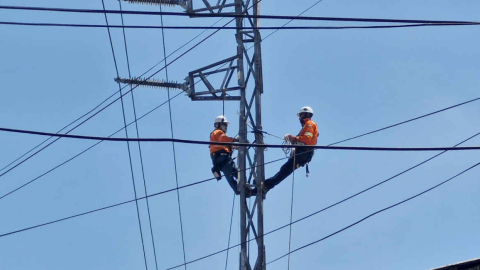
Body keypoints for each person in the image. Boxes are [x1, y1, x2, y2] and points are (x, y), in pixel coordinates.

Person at [252, 106, 318, 196]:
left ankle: (266, 186)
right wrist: (294, 145)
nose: (300, 118)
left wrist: (293, 138)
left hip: (304, 153)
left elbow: (306, 139)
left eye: (301, 115)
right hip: (303, 153)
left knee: (284, 171)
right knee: (284, 170)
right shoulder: (306, 126)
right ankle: (264, 187)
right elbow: (302, 140)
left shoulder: (309, 124)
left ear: (305, 115)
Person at [210, 115, 241, 194]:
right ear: (218, 125)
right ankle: (241, 189)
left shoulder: (217, 137)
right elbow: (224, 139)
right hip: (222, 159)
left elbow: (226, 144)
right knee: (236, 174)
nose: (226, 127)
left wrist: (235, 146)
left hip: (222, 161)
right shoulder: (217, 132)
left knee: (237, 174)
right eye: (225, 124)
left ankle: (241, 189)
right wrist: (235, 139)